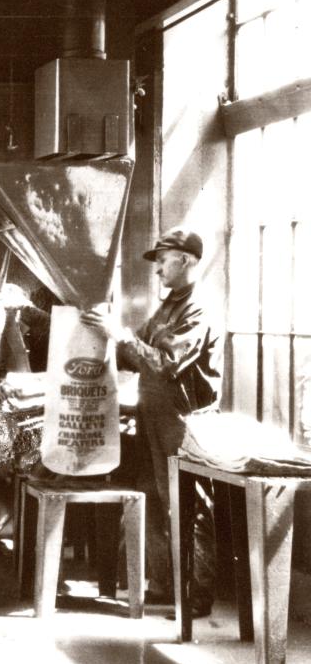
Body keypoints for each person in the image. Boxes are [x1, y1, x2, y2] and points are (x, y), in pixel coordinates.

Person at [82, 227, 222, 616]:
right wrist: (101, 332)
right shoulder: (167, 307)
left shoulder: (198, 309)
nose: (157, 267)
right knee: (157, 501)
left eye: (163, 259)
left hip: (183, 420)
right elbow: (133, 354)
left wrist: (120, 336)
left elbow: (165, 364)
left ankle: (195, 595)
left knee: (187, 503)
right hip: (153, 416)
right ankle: (165, 586)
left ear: (186, 260)